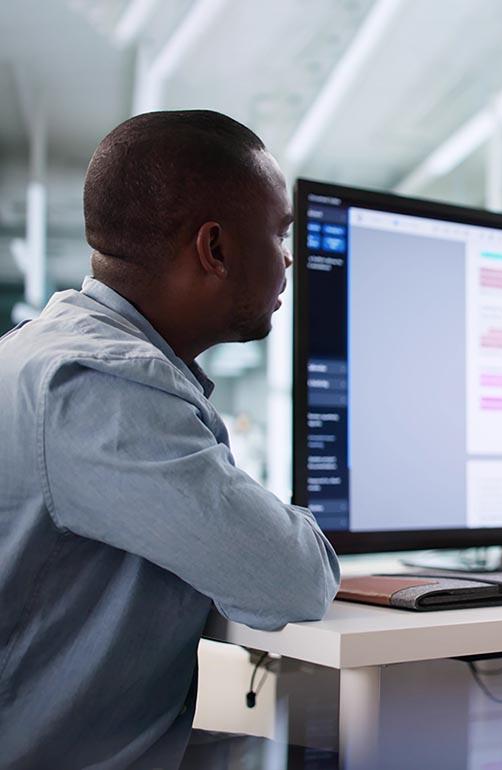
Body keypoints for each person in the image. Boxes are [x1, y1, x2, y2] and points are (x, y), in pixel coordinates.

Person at [0, 111, 340, 769]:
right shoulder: (101, 388)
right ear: (214, 249)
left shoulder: (43, 353)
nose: (289, 258)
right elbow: (291, 578)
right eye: (278, 232)